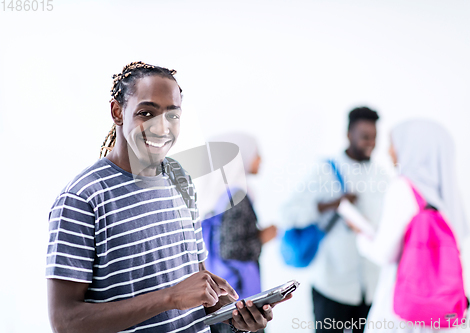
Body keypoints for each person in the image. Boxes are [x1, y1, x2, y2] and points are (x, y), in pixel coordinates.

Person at [46, 61, 287, 333]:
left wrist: (235, 315)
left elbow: (195, 282)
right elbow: (65, 322)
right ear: (117, 111)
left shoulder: (178, 176)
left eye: (172, 115)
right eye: (147, 113)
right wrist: (169, 297)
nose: (162, 128)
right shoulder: (82, 198)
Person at [281, 107, 391, 333]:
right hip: (331, 286)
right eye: (364, 137)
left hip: (369, 287)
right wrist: (333, 204)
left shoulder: (382, 175)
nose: (370, 143)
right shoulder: (325, 171)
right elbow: (288, 214)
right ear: (349, 134)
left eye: (374, 137)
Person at [355, 119, 469, 333]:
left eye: (393, 143)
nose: (389, 151)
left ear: (413, 147)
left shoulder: (403, 188)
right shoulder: (448, 194)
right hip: (438, 315)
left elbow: (383, 254)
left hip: (401, 315)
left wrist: (362, 237)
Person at [202, 133, 278, 333]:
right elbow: (230, 248)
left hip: (222, 297)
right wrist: (263, 238)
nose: (261, 159)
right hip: (240, 300)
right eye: (256, 153)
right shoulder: (237, 195)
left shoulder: (218, 193)